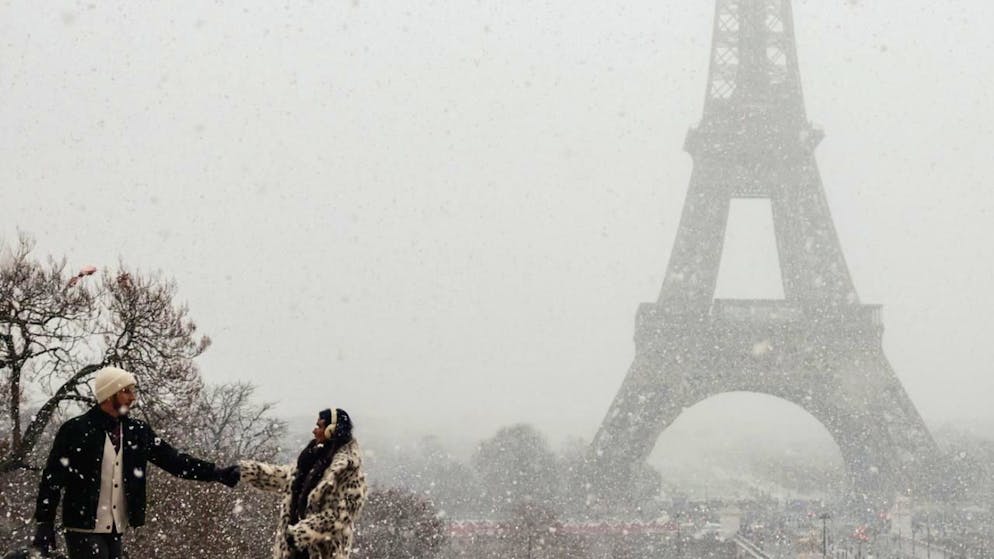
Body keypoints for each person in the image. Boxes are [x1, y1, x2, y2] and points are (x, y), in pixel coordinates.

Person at [30, 366, 241, 559]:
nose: (133, 398)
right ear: (109, 395)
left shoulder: (137, 432)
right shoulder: (76, 430)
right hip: (82, 528)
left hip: (116, 529)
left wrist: (216, 473)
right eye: (127, 391)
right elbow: (52, 479)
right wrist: (44, 522)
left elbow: (174, 461)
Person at [240, 408, 367, 559]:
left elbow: (342, 515)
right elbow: (284, 477)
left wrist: (302, 533)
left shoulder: (348, 468)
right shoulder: (312, 458)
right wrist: (243, 471)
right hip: (294, 552)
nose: (314, 431)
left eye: (319, 426)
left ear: (331, 430)